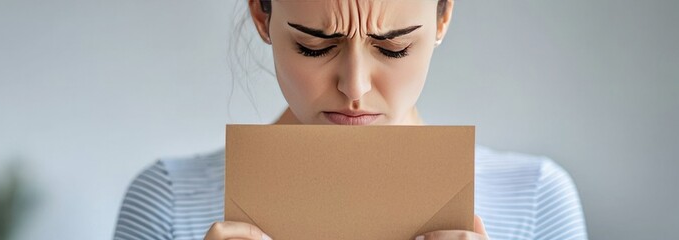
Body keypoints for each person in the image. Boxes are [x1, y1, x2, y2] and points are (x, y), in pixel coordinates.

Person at [112, 0, 587, 239]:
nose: (354, 87)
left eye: (394, 46)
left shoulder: (535, 201)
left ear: (442, 20)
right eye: (314, 45)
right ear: (262, 16)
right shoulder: (168, 203)